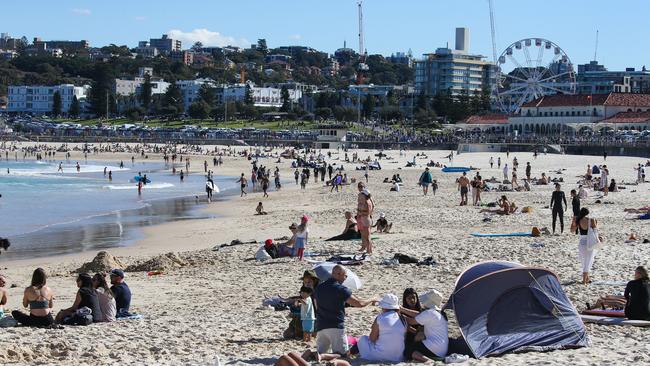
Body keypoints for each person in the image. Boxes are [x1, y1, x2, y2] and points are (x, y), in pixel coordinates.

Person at [314, 265, 376, 355]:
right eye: (345, 275)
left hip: (321, 325)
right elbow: (359, 303)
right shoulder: (340, 289)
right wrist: (372, 299)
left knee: (321, 353)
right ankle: (321, 357)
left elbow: (317, 306)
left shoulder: (319, 288)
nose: (346, 278)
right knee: (342, 355)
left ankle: (310, 354)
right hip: (335, 326)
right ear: (339, 275)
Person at [354, 293, 406, 363]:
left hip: (380, 356)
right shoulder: (403, 319)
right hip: (398, 357)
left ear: (384, 307)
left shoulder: (380, 317)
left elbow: (372, 339)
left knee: (363, 339)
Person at [400, 289, 448, 362]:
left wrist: (398, 314)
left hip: (434, 348)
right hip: (443, 350)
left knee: (408, 351)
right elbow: (419, 314)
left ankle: (427, 360)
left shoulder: (429, 313)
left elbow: (410, 321)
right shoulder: (440, 313)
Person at [576, 208, 597, 285]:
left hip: (581, 241)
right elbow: (595, 231)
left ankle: (587, 278)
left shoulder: (578, 220)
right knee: (589, 261)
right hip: (589, 241)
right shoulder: (591, 220)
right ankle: (584, 280)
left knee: (583, 260)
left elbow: (573, 229)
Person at [401, 288, 423, 361]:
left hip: (422, 336)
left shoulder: (421, 310)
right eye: (409, 298)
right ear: (405, 299)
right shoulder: (402, 311)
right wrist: (416, 332)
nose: (412, 300)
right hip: (409, 336)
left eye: (414, 297)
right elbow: (406, 326)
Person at [356, 182, 375, 254]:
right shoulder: (363, 201)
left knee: (367, 236)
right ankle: (366, 248)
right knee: (363, 234)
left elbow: (368, 211)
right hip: (363, 218)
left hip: (366, 219)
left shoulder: (368, 203)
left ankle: (369, 250)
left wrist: (361, 213)